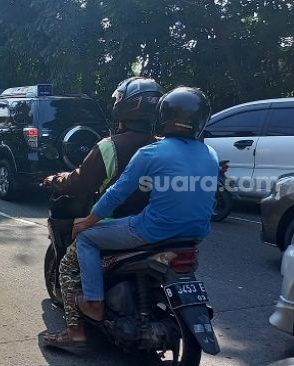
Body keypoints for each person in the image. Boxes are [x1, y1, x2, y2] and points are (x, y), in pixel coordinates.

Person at [69, 87, 218, 348]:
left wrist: (87, 222)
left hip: (150, 231)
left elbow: (116, 194)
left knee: (86, 240)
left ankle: (93, 302)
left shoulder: (152, 152)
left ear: (164, 116)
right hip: (193, 237)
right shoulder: (211, 155)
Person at [40, 77, 163, 352]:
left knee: (69, 266)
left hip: (115, 228)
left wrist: (55, 180)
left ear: (123, 107)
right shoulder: (165, 145)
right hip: (158, 229)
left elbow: (79, 182)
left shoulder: (109, 146)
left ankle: (76, 333)